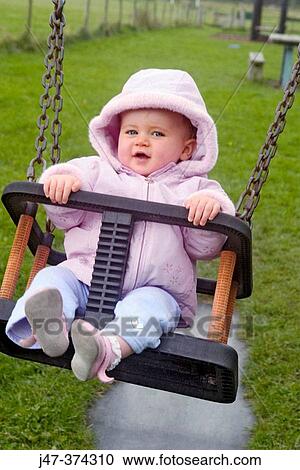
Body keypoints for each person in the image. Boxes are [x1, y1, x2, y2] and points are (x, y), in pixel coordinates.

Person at [6, 68, 235, 384]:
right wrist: (60, 186)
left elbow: (204, 247)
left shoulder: (195, 189)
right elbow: (67, 217)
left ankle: (105, 348)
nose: (142, 140)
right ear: (116, 136)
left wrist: (209, 214)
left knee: (152, 310)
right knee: (52, 278)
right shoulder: (97, 172)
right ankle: (46, 328)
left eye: (157, 133)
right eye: (132, 132)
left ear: (186, 148)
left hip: (155, 288)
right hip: (85, 277)